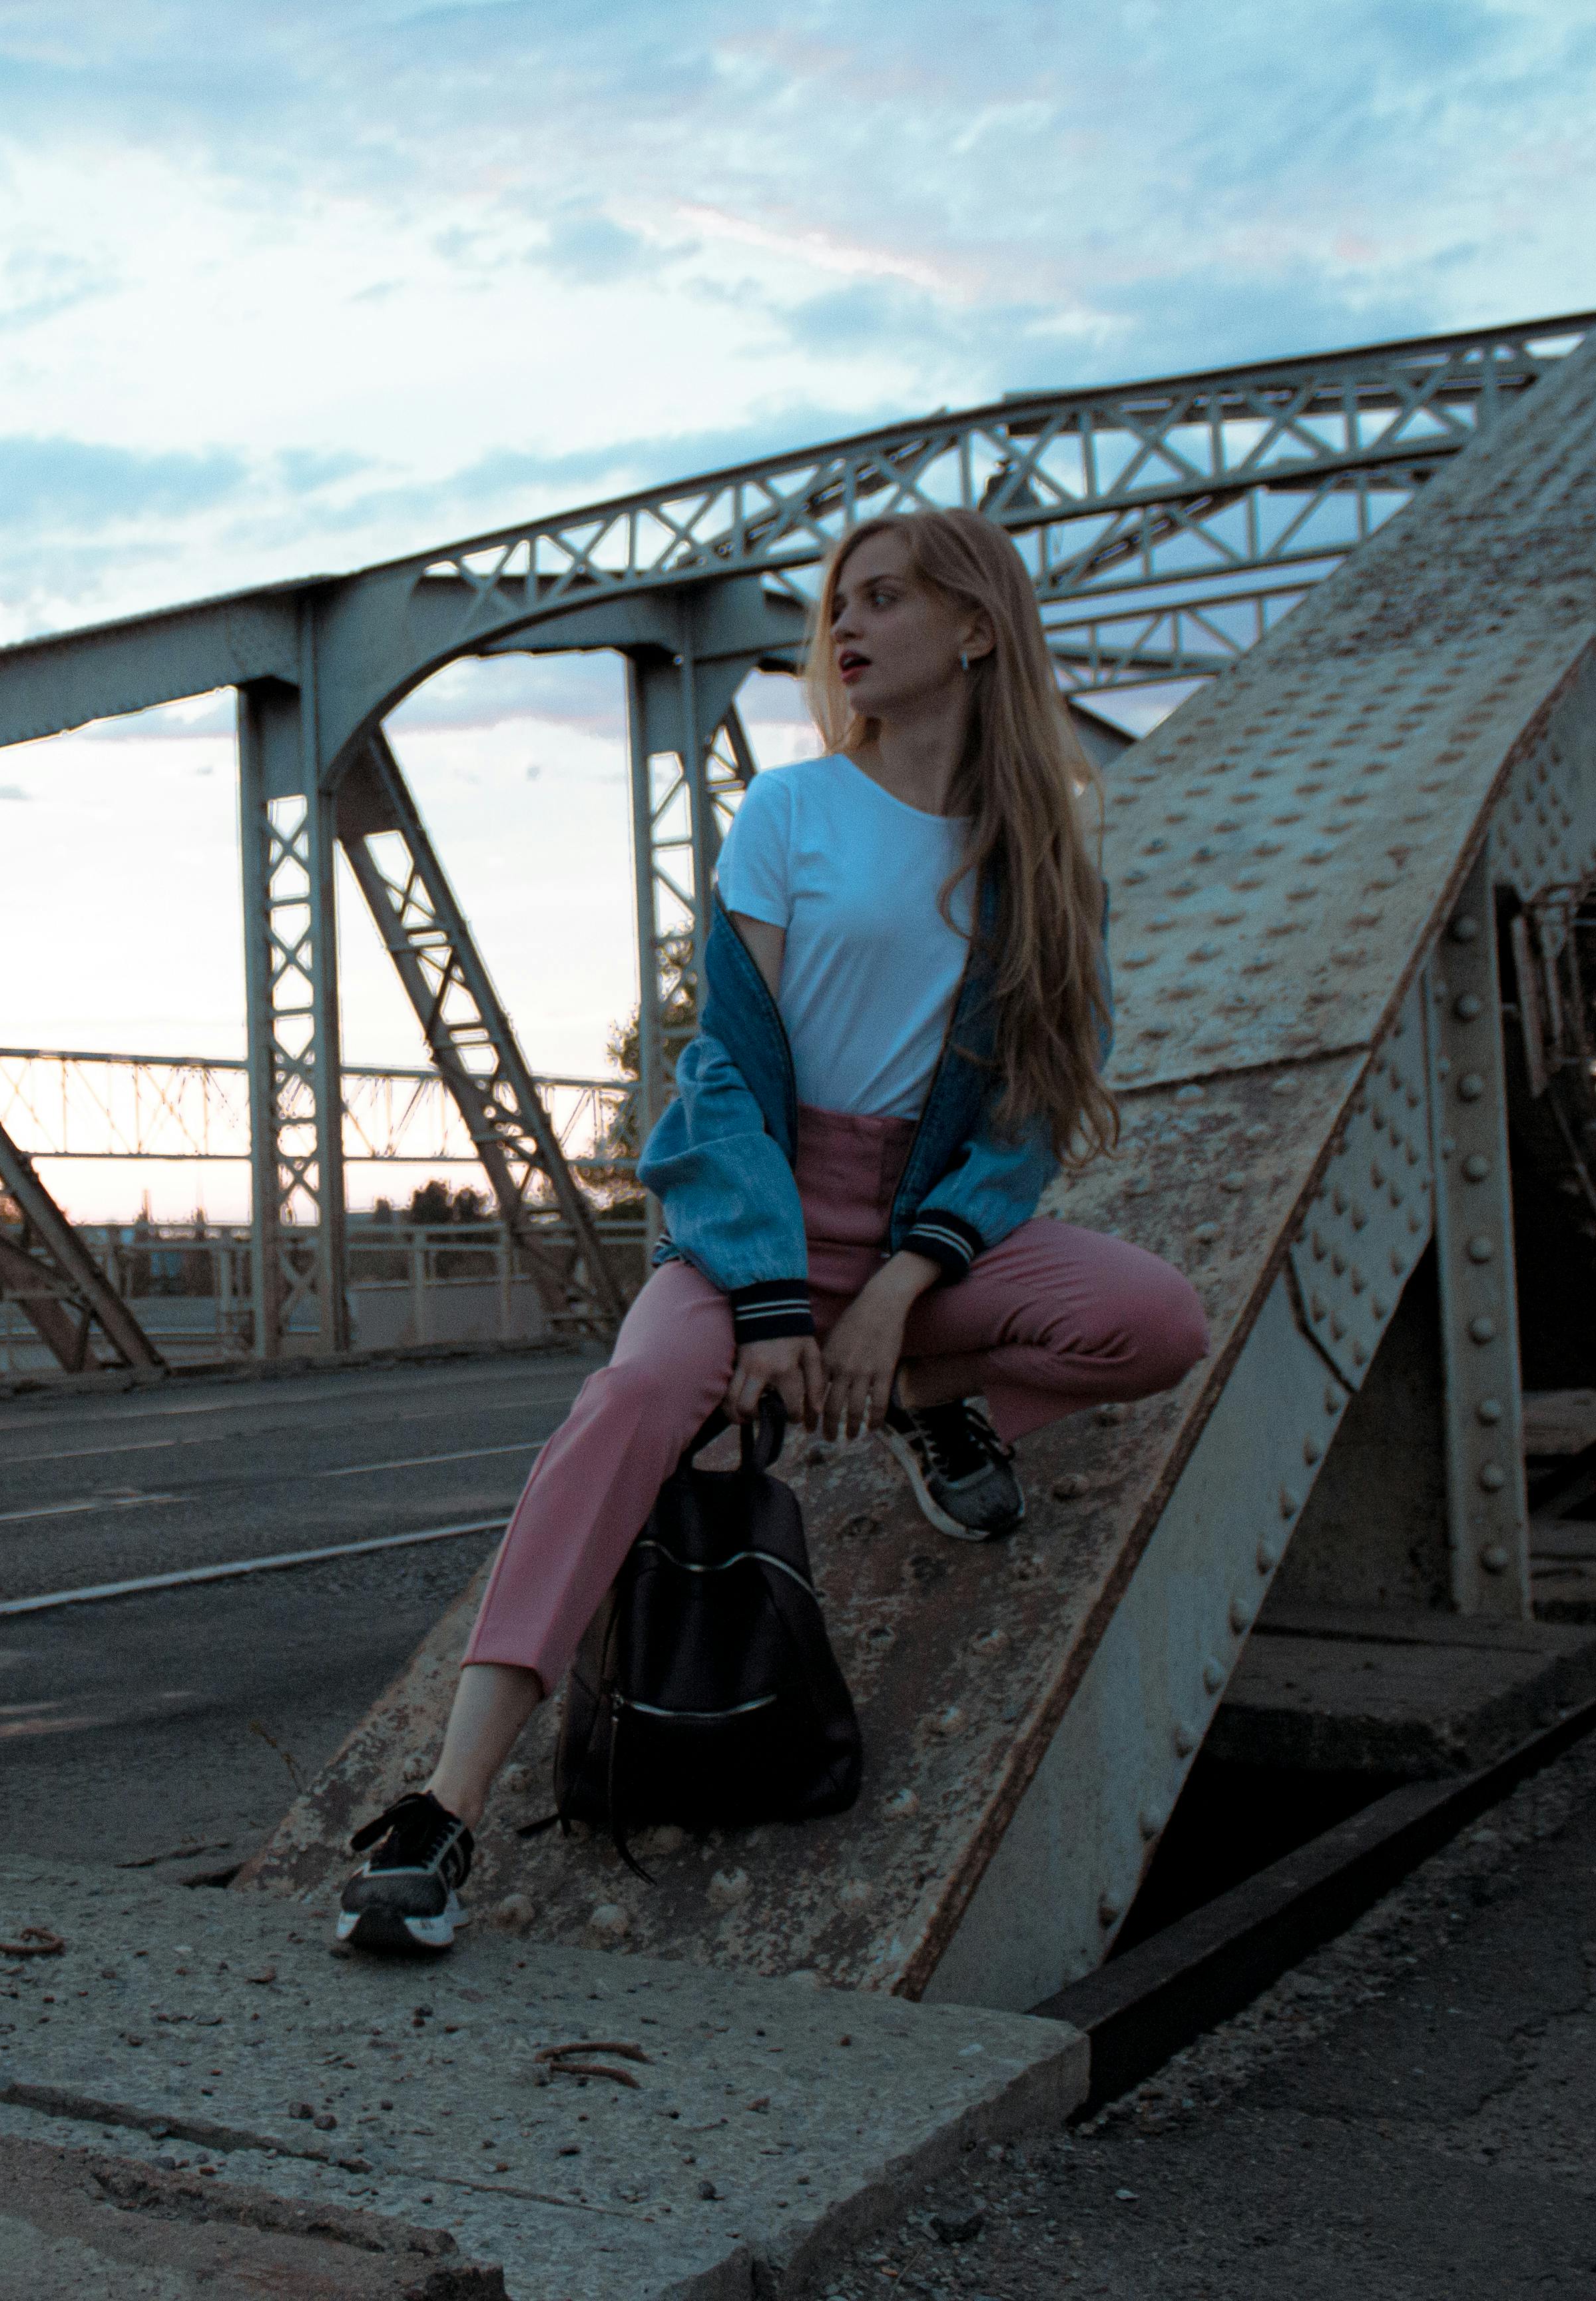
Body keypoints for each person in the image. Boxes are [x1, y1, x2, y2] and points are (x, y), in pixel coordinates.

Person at [338, 507, 1210, 1955]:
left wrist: (895, 1298)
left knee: (1154, 1321)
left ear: (978, 629)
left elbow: (1023, 1127)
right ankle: (448, 1806)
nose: (847, 630)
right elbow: (726, 1072)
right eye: (837, 607)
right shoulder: (793, 813)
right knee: (631, 1400)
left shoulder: (1044, 861)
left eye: (884, 600)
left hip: (927, 1246)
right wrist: (767, 1303)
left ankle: (934, 1409)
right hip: (763, 1220)